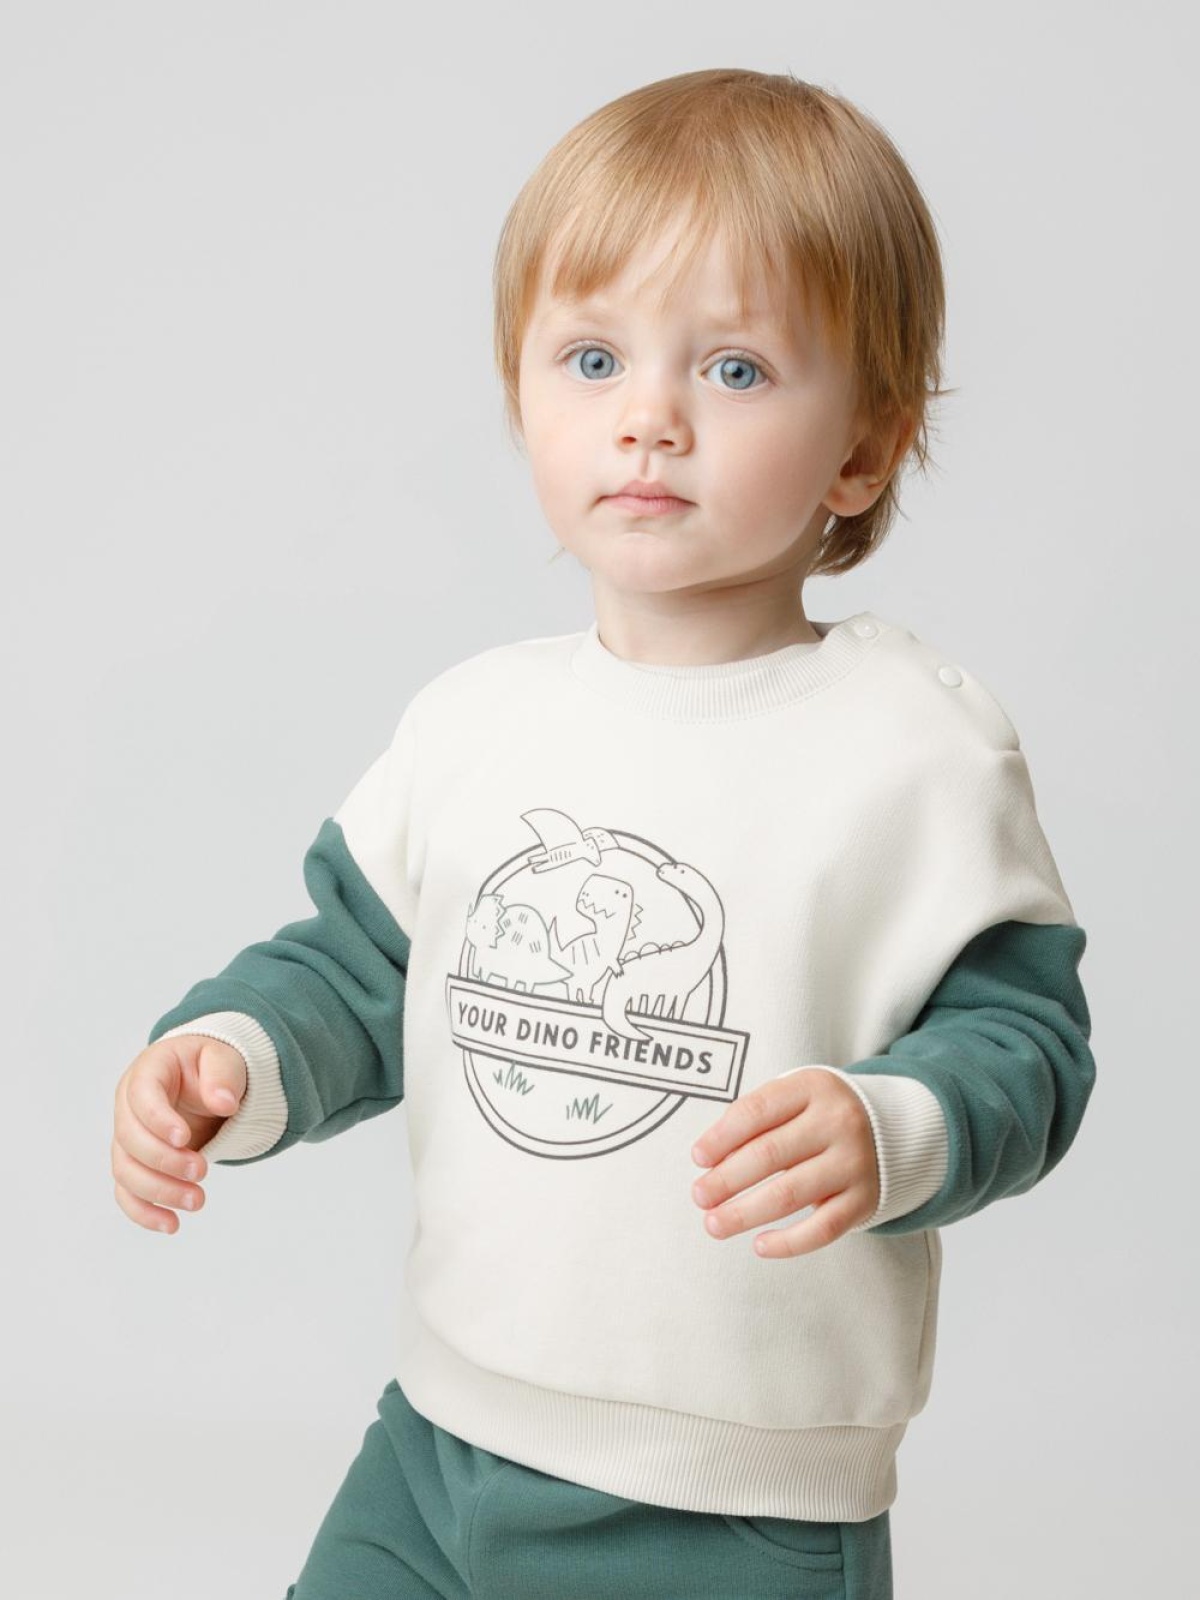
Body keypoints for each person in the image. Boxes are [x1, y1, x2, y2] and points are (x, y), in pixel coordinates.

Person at [110, 68, 1096, 1600]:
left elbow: (1028, 1044)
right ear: (523, 396)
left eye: (736, 370)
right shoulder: (475, 725)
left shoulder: (912, 748)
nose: (648, 418)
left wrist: (895, 1122)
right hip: (438, 1444)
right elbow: (361, 971)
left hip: (733, 1504)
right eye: (591, 357)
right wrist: (229, 1052)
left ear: (863, 448)